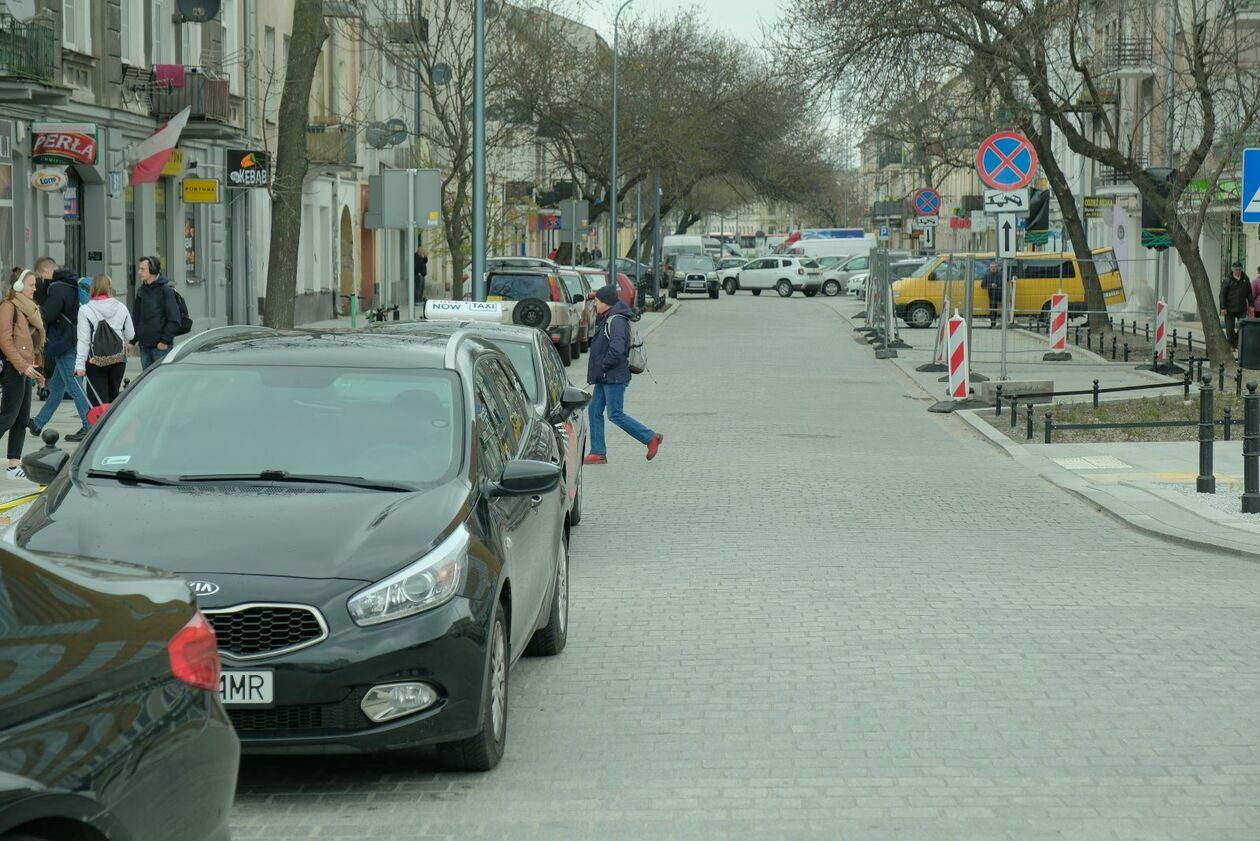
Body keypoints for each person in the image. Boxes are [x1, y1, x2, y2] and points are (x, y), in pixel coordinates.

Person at [583, 285, 662, 465]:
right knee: (594, 410)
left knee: (615, 414)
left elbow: (617, 350)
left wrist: (603, 365)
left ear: (606, 303)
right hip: (605, 376)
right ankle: (598, 452)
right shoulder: (608, 317)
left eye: (597, 301)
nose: (595, 304)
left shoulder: (616, 320)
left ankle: (650, 438)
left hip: (614, 376)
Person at [28, 267, 92, 442]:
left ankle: (89, 426)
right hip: (71, 339)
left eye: (42, 273)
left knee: (74, 387)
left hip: (63, 343)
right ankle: (38, 423)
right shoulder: (71, 287)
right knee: (56, 388)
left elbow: (48, 313)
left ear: (49, 272)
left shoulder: (57, 288)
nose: (40, 277)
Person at [0, 268, 46, 479]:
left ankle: (13, 466)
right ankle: (12, 465)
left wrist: (36, 370)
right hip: (13, 368)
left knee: (22, 419)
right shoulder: (9, 307)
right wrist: (21, 365)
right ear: (18, 286)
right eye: (31, 285)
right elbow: (5, 341)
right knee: (7, 418)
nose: (35, 289)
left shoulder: (29, 308)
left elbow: (33, 342)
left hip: (26, 369)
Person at [75, 274, 134, 408]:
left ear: (93, 288)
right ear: (109, 288)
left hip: (95, 361)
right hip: (118, 359)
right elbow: (130, 334)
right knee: (114, 399)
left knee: (97, 401)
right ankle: (113, 426)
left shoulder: (85, 310)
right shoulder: (121, 307)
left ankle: (100, 427)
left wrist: (80, 366)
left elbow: (83, 340)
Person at [131, 256, 181, 370]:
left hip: (160, 348)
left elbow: (175, 319)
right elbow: (136, 318)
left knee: (163, 383)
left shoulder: (165, 290)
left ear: (153, 270)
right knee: (147, 382)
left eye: (142, 269)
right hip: (144, 347)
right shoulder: (141, 291)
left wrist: (164, 341)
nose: (139, 272)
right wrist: (132, 341)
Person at [1220, 261, 1254, 350]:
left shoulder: (1245, 279)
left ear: (1241, 269)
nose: (1238, 271)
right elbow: (1222, 294)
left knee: (1242, 327)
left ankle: (1238, 343)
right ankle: (1231, 344)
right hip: (1229, 309)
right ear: (1232, 269)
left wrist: (1251, 305)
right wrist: (1223, 307)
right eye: (1236, 269)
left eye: (1239, 269)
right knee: (1229, 329)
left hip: (1242, 308)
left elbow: (1249, 293)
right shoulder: (1227, 280)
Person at [981, 261, 1003, 327]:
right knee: (993, 310)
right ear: (990, 268)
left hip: (1001, 294)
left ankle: (1004, 324)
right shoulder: (987, 275)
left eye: (994, 267)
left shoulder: (1001, 274)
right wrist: (991, 285)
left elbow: (1007, 280)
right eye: (992, 267)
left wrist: (1014, 278)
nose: (993, 268)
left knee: (1004, 310)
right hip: (992, 295)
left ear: (997, 267)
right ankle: (993, 324)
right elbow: (982, 285)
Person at [413, 241, 428, 305]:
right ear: (419, 251)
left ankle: (420, 299)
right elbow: (416, 266)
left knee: (421, 288)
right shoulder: (416, 257)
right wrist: (418, 272)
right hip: (418, 275)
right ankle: (417, 300)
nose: (423, 252)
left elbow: (425, 261)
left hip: (422, 275)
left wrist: (425, 256)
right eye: (422, 251)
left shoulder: (421, 257)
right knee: (418, 288)